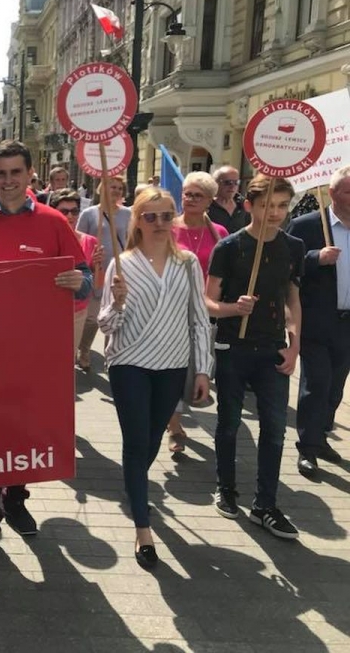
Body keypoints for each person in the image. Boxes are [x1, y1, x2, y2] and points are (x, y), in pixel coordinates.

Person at [0, 140, 92, 559]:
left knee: (23, 431)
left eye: (16, 172)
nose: (8, 180)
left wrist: (78, 282)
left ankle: (16, 500)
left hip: (34, 351)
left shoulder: (53, 222)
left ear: (29, 175)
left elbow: (83, 278)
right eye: (1, 173)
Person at [98, 187, 211, 568]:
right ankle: (142, 527)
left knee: (151, 439)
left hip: (173, 364)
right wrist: (117, 303)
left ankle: (134, 485)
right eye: (151, 216)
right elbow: (107, 325)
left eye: (166, 216)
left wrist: (203, 369)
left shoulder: (188, 263)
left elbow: (199, 319)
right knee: (135, 442)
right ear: (138, 221)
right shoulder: (122, 265)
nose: (160, 223)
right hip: (129, 362)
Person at [205, 174, 303, 540]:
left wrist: (294, 345)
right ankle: (226, 487)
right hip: (234, 347)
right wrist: (233, 308)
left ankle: (265, 505)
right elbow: (208, 301)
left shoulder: (293, 247)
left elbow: (292, 299)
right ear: (249, 206)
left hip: (273, 349)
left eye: (282, 206)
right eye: (267, 206)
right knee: (229, 423)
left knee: (275, 429)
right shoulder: (229, 247)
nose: (275, 213)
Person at [287, 165, 350, 477]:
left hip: (347, 324)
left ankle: (321, 435)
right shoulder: (308, 225)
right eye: (349, 191)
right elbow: (286, 263)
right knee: (317, 383)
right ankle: (308, 448)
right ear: (333, 193)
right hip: (316, 321)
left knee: (335, 387)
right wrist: (315, 258)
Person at [166, 172, 228, 453]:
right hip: (172, 308)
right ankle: (174, 426)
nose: (190, 199)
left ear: (210, 201)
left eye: (197, 195)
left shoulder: (219, 233)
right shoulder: (167, 228)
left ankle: (189, 399)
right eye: (187, 193)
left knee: (197, 365)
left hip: (205, 310)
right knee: (173, 366)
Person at [75, 175, 131, 371]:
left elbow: (130, 239)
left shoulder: (127, 214)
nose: (116, 191)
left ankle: (111, 355)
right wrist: (90, 258)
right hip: (96, 268)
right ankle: (84, 349)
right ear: (102, 189)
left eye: (119, 188)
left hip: (118, 270)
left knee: (114, 311)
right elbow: (79, 240)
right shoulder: (89, 214)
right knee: (92, 317)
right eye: (112, 187)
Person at [51, 189, 101, 352]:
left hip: (77, 310)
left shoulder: (91, 242)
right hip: (49, 310)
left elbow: (95, 280)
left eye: (74, 211)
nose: (70, 216)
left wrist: (96, 266)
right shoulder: (45, 240)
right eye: (64, 211)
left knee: (67, 358)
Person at [209, 166, 249, 234]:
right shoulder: (206, 206)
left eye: (236, 182)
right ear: (215, 183)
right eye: (228, 182)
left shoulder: (244, 205)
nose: (232, 186)